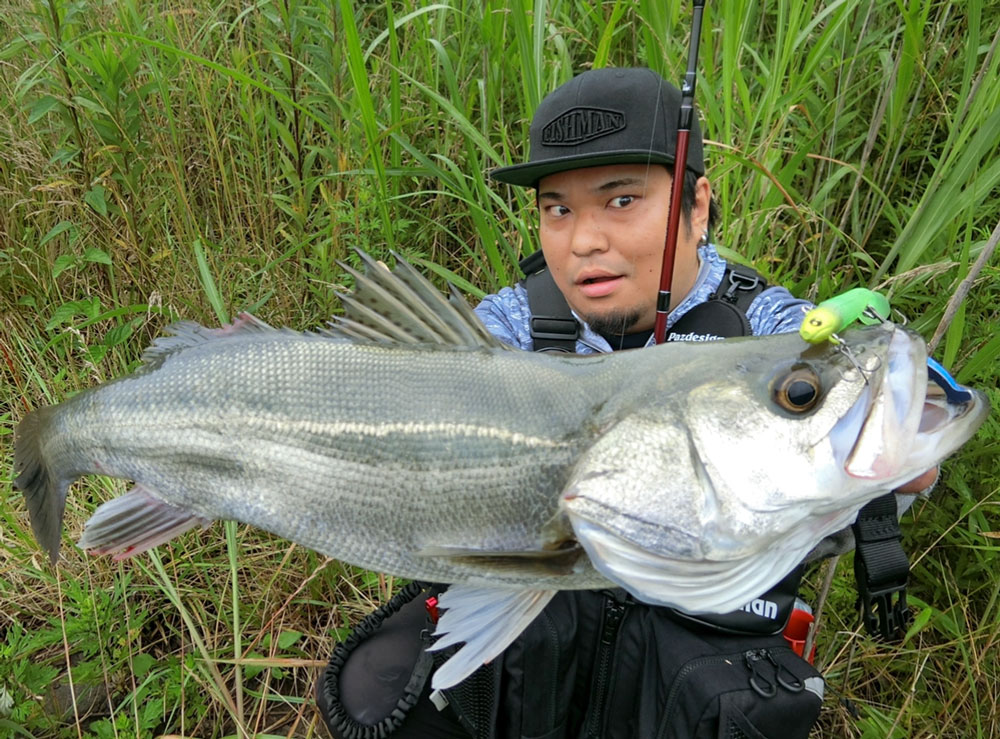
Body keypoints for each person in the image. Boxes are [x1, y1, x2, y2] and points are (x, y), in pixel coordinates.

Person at [316, 67, 937, 739]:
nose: (583, 241)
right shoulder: (513, 322)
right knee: (383, 685)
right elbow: (422, 393)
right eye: (558, 209)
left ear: (697, 207)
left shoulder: (769, 326)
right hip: (546, 630)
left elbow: (901, 408)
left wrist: (913, 384)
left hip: (694, 655)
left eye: (620, 201)